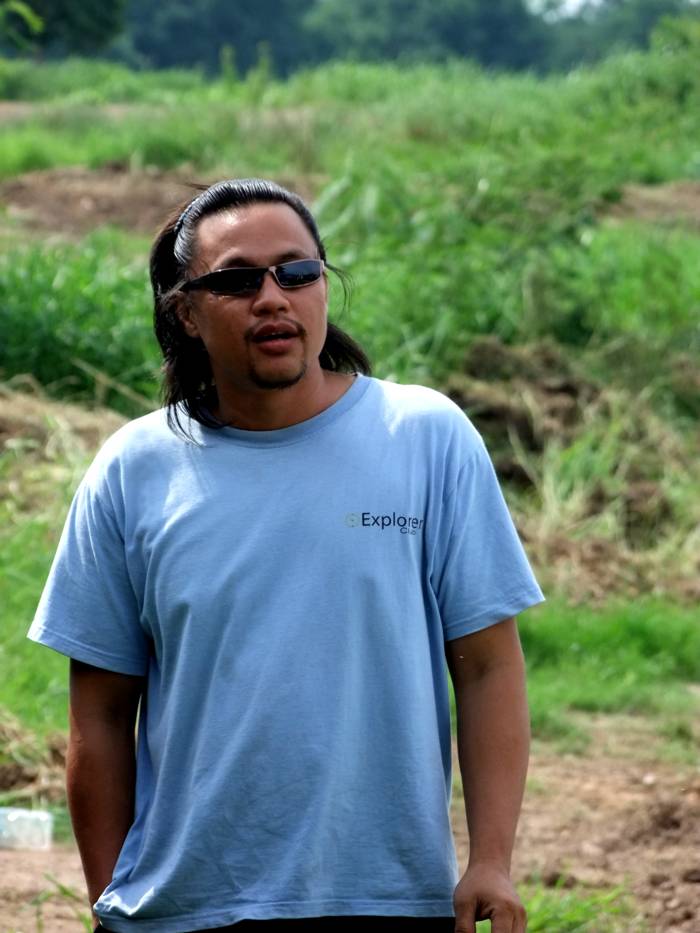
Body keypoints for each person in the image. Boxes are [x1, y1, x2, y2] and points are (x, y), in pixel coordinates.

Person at [28, 178, 544, 933]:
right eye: (236, 281)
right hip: (184, 908)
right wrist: (111, 900)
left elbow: (489, 665)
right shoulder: (133, 469)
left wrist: (491, 859)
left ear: (323, 287)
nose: (273, 297)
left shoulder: (425, 437)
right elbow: (100, 712)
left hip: (387, 899)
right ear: (186, 313)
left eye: (296, 272)